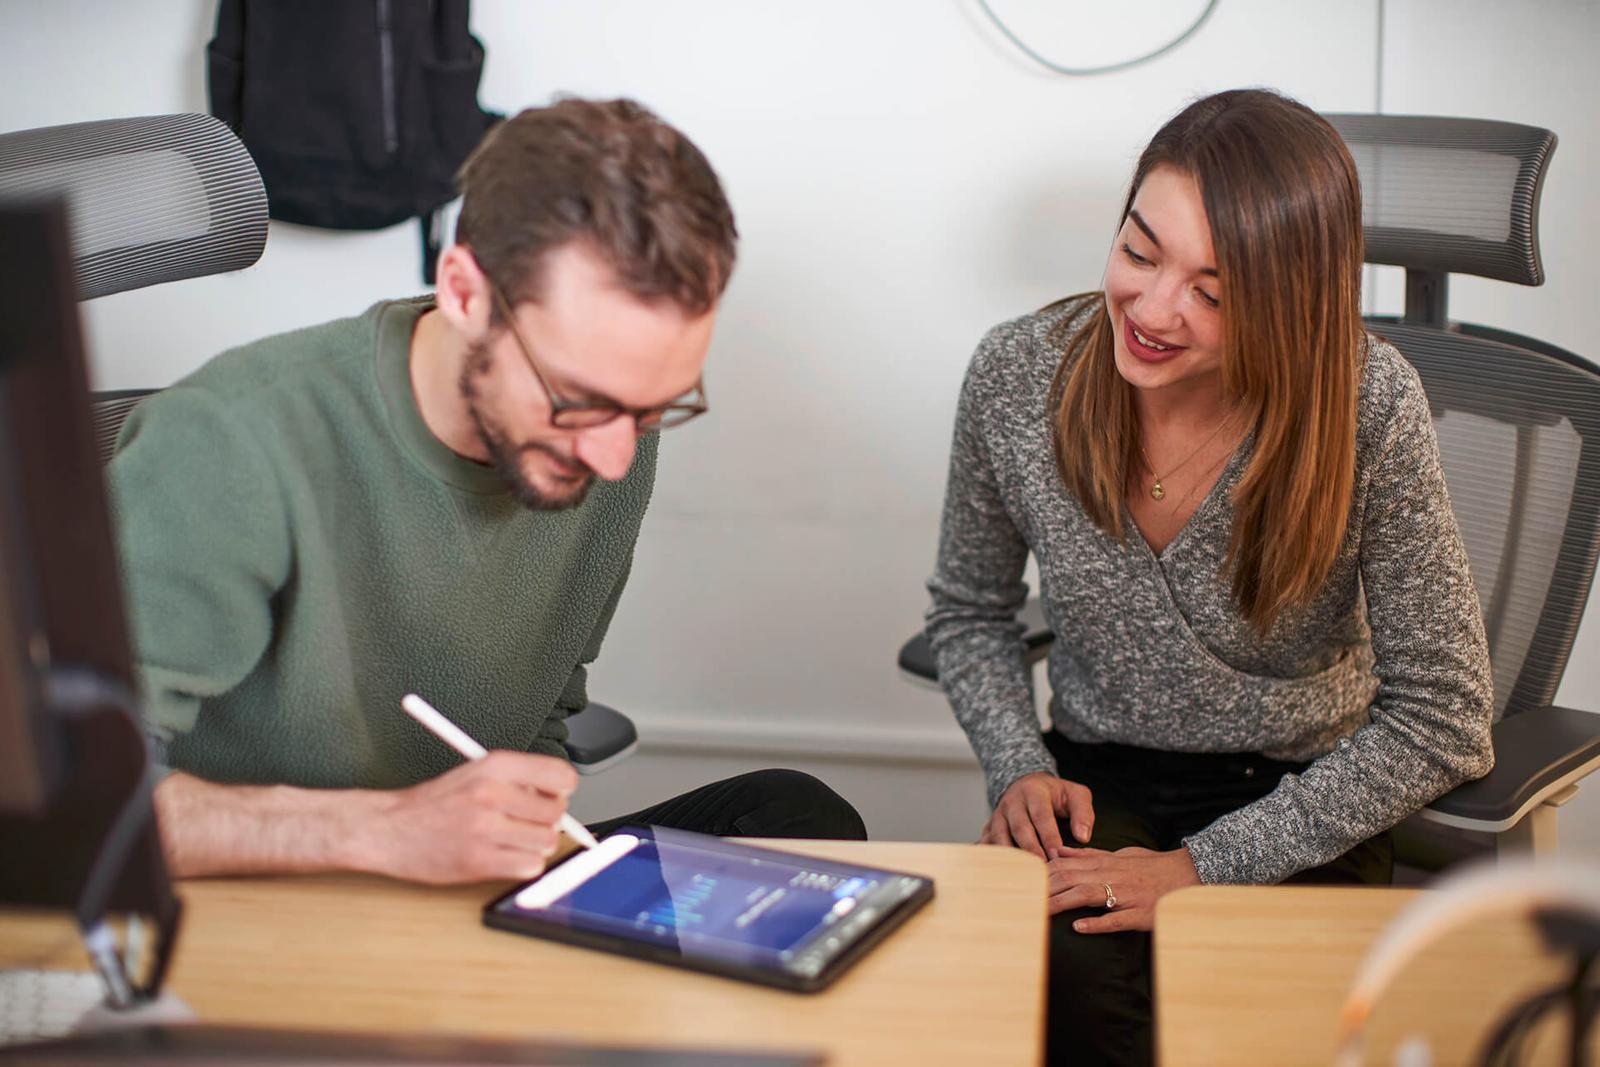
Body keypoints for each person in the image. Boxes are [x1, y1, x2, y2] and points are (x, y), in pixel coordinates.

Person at [111, 97, 866, 886]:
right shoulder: (229, 440)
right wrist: (384, 831)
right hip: (278, 892)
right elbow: (66, 805)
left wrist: (523, 844)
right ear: (465, 293)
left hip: (455, 883)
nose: (614, 457)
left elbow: (543, 708)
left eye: (653, 408)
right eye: (580, 401)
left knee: (799, 817)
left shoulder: (608, 437)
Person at [925, 88, 1493, 1067]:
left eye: (1213, 294)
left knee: (1246, 1025)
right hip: (1097, 780)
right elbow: (969, 611)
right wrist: (1019, 763)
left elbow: (1446, 714)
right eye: (1139, 253)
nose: (1152, 310)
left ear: (1290, 304)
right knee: (1063, 1006)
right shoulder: (1016, 376)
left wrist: (1197, 866)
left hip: (1299, 796)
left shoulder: (1368, 403)